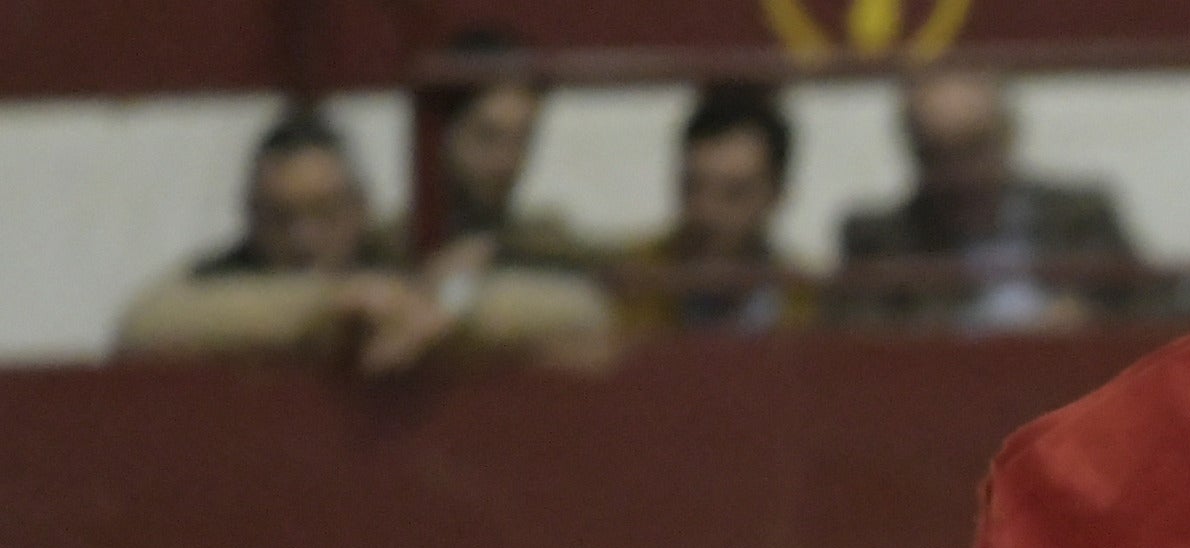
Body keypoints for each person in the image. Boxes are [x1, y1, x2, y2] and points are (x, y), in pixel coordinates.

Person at [115, 104, 609, 372]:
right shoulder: (225, 276)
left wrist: (446, 307)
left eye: (324, 212)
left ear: (360, 208)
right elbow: (144, 323)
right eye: (280, 216)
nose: (303, 236)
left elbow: (578, 312)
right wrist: (327, 306)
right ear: (249, 213)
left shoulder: (396, 258)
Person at [834, 66, 1145, 332]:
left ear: (1008, 135)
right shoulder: (881, 241)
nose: (960, 174)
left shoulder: (1083, 217)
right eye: (937, 155)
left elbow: (1149, 313)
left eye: (974, 148)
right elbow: (864, 339)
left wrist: (1085, 323)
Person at [613, 84, 815, 337]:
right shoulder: (635, 287)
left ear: (776, 195)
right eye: (692, 187)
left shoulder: (805, 297)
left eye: (734, 193)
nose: (706, 211)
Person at [420, 26, 596, 272]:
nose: (506, 162)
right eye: (487, 136)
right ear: (443, 134)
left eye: (522, 139)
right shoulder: (384, 246)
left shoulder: (548, 247)